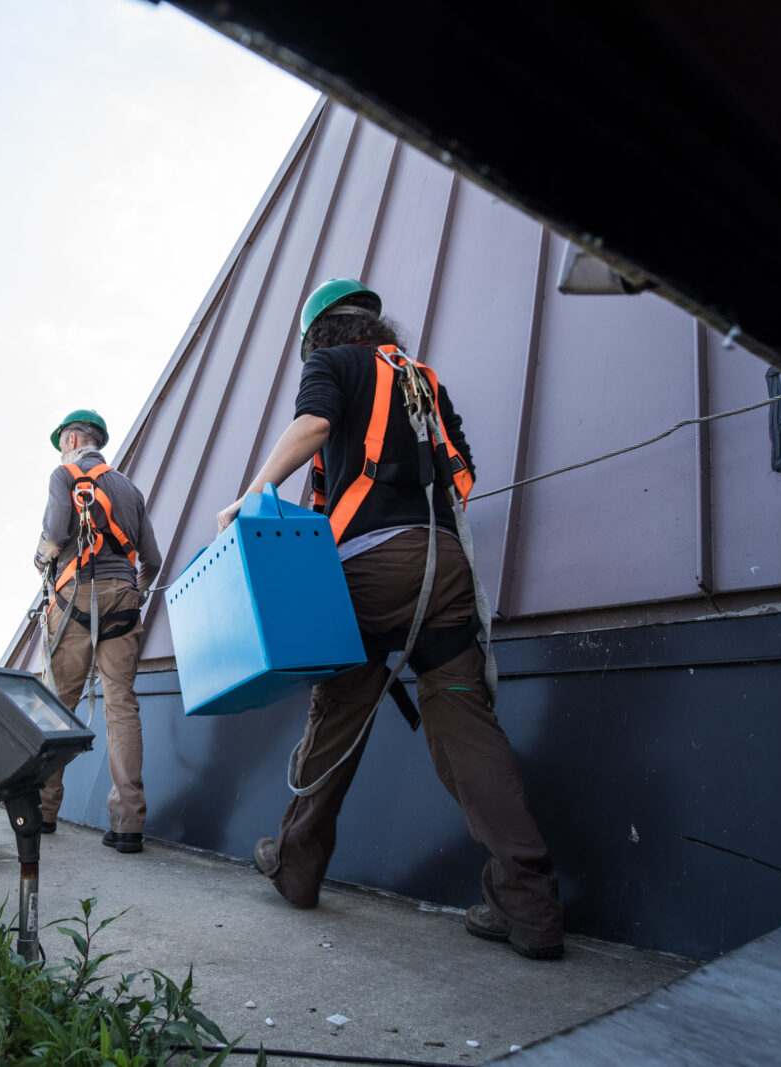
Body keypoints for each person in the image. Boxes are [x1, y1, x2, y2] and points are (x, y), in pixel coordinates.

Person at [215, 279, 564, 959]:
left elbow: (313, 424)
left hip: (371, 573)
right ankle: (532, 908)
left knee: (337, 715)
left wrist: (253, 492)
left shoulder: (332, 365)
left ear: (319, 333)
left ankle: (296, 866)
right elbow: (461, 475)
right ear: (374, 324)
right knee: (467, 730)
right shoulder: (423, 380)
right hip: (444, 572)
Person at [35, 408, 162, 853]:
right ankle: (128, 824)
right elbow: (153, 561)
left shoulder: (63, 475)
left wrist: (40, 557)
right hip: (123, 602)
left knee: (56, 705)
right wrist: (135, 594)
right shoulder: (129, 488)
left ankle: (43, 812)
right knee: (121, 707)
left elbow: (54, 534)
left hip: (72, 601)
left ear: (71, 440)